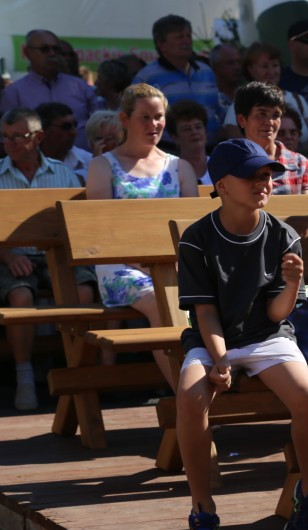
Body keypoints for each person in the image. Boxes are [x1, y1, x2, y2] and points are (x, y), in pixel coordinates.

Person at [175, 138, 308, 530]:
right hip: (212, 338)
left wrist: (294, 284)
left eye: (267, 175)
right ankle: (202, 512)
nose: (263, 183)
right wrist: (220, 360)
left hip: (266, 335)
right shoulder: (197, 239)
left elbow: (277, 314)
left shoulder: (283, 235)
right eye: (251, 176)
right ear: (221, 185)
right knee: (189, 397)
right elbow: (204, 314)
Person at [84, 84, 199, 392]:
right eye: (144, 117)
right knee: (162, 304)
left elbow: (193, 231)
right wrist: (146, 263)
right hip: (121, 267)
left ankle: (220, 386)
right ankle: (187, 398)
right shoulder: (102, 166)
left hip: (175, 266)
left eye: (159, 116)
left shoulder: (180, 167)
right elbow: (100, 232)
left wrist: (172, 264)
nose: (153, 125)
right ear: (125, 119)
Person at [0, 108, 92, 410]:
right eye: (5, 137)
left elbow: (75, 226)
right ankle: (25, 376)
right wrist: (8, 254)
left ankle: (79, 371)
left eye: (19, 137)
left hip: (58, 255)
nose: (10, 143)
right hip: (13, 257)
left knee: (82, 292)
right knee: (21, 297)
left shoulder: (63, 174)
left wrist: (62, 256)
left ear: (38, 137)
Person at [0, 30, 99, 151]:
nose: (52, 54)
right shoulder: (13, 93)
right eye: (44, 49)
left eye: (56, 49)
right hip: (35, 166)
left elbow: (99, 127)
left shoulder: (80, 87)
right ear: (27, 52)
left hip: (82, 164)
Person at [132, 15, 223, 143]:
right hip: (168, 152)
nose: (187, 41)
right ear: (161, 44)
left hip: (211, 150)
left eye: (188, 36)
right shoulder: (146, 78)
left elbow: (220, 109)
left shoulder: (206, 71)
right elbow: (135, 119)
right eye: (180, 37)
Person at [221, 43, 308, 154]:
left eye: (275, 65)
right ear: (251, 69)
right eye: (265, 66)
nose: (271, 71)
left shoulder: (297, 99)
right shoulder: (239, 104)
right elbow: (238, 147)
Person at [233, 82, 308, 195]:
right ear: (242, 120)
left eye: (276, 115)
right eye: (262, 114)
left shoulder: (301, 164)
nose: (270, 122)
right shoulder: (230, 163)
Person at [36, 102, 92, 184]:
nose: (74, 133)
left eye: (75, 125)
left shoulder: (88, 162)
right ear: (44, 131)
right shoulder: (25, 164)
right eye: (66, 127)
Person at [167, 100, 212, 184]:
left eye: (198, 127)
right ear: (175, 138)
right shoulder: (169, 172)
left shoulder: (222, 168)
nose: (194, 132)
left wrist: (210, 196)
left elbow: (226, 194)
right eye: (187, 129)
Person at [208, 43, 243, 109]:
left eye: (239, 62)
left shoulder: (248, 96)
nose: (237, 67)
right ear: (215, 67)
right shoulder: (209, 98)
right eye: (230, 63)